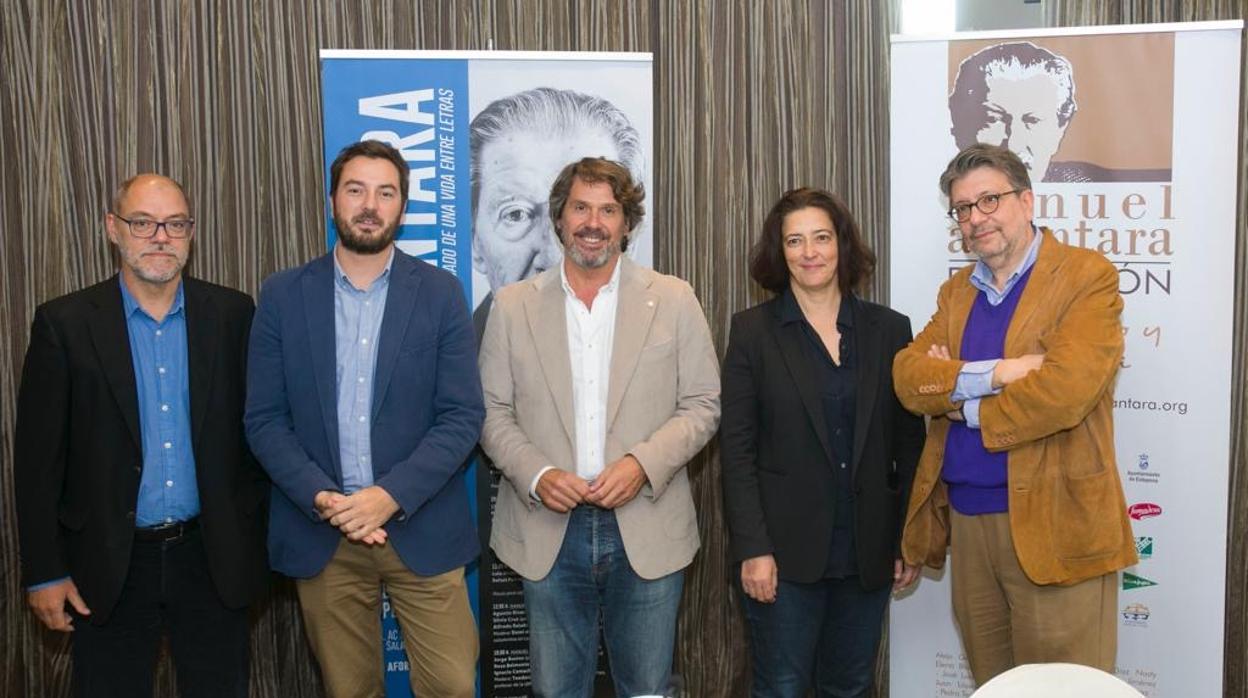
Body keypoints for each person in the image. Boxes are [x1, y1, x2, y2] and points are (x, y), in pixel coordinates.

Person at [245, 140, 484, 697]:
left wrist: (389, 495)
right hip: (323, 531)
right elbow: (264, 420)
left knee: (450, 685)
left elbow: (462, 416)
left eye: (385, 192)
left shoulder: (441, 294)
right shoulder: (282, 295)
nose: (369, 205)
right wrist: (324, 498)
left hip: (418, 524)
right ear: (333, 201)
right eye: (356, 190)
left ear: (403, 207)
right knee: (349, 691)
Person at [14, 173, 268, 697]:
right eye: (143, 222)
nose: (160, 237)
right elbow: (37, 464)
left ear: (191, 233)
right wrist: (44, 572)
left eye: (175, 224)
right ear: (113, 228)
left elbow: (257, 438)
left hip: (212, 558)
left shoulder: (233, 315)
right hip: (106, 566)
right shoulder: (63, 324)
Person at [894, 143, 1138, 685]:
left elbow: (1066, 390)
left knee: (1063, 691)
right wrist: (1000, 373)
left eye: (989, 201)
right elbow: (910, 379)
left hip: (1058, 524)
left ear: (1026, 201)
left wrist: (963, 403)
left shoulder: (1085, 277)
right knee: (995, 689)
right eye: (962, 208)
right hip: (970, 526)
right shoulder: (956, 292)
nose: (975, 218)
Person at [479, 156, 720, 697]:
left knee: (648, 688)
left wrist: (641, 464)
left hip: (647, 526)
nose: (594, 222)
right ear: (559, 220)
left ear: (627, 223)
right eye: (580, 208)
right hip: (548, 530)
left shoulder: (674, 299)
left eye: (608, 209)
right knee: (556, 691)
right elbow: (491, 412)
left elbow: (704, 404)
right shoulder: (512, 306)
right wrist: (537, 474)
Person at [720, 188, 925, 697]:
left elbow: (909, 445)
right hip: (783, 557)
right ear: (779, 251)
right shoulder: (752, 333)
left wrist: (907, 539)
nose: (810, 252)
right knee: (782, 687)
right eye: (795, 240)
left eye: (821, 238)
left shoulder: (890, 330)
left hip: (867, 553)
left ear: (842, 245)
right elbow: (737, 451)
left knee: (851, 686)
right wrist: (753, 548)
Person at [469, 86, 645, 342]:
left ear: (628, 230)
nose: (554, 257)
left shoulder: (667, 315)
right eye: (516, 214)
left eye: (605, 210)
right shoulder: (460, 360)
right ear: (474, 241)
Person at [949, 42, 1170, 183]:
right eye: (994, 119)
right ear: (958, 126)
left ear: (1061, 127)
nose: (1014, 143)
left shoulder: (1086, 183)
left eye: (1032, 120)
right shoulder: (947, 191)